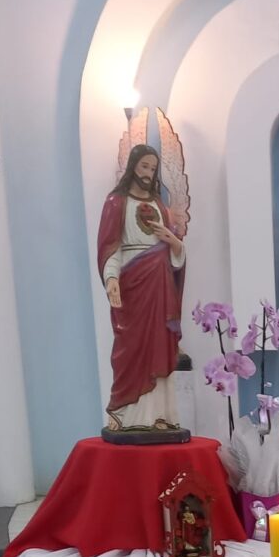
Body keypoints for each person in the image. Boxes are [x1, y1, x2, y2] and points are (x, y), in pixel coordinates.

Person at [97, 145, 186, 430]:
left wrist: (174, 243)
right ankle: (123, 413)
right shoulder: (117, 202)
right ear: (133, 166)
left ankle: (160, 415)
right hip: (132, 284)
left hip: (159, 283)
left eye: (153, 168)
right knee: (129, 347)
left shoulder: (160, 206)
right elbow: (110, 247)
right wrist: (111, 279)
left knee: (159, 345)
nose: (148, 173)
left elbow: (174, 252)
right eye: (144, 166)